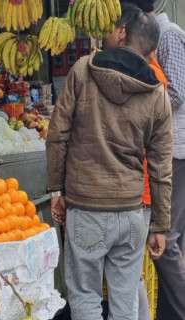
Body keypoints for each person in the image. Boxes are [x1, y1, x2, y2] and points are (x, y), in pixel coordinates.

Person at [46, 10, 172, 320]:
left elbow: (57, 132)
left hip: (85, 207)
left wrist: (56, 189)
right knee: (125, 303)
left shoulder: (82, 70)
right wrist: (159, 225)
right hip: (130, 212)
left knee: (85, 298)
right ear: (152, 52)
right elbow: (160, 167)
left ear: (122, 34)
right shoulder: (157, 95)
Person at [102, 3, 167, 319]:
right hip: (137, 194)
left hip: (129, 195)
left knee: (125, 280)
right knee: (129, 277)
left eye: (111, 29)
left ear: (123, 32)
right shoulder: (153, 77)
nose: (106, 36)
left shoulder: (122, 74)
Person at [130, 1, 185, 318]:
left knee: (166, 240)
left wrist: (139, 92)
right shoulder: (160, 34)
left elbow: (176, 92)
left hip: (175, 151)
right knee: (172, 240)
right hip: (169, 149)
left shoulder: (167, 34)